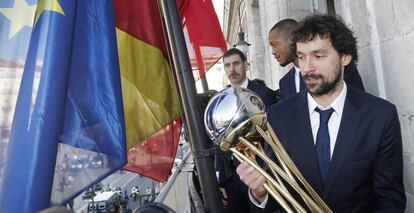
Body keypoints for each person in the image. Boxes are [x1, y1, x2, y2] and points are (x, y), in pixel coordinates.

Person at [237, 14, 406, 212]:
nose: (306, 67)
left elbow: (390, 200)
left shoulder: (380, 116)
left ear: (345, 57)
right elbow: (277, 196)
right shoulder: (278, 117)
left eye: (318, 56)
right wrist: (260, 193)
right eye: (301, 57)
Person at [216, 48, 279, 213]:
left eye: (236, 63)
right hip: (232, 177)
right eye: (227, 65)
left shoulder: (264, 94)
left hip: (260, 174)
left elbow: (274, 137)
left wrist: (268, 174)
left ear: (245, 64)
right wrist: (221, 181)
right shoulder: (221, 99)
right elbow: (218, 139)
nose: (232, 69)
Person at [268, 18, 365, 100]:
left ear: (293, 38)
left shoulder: (338, 67)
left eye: (275, 44)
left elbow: (360, 104)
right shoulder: (285, 83)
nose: (272, 52)